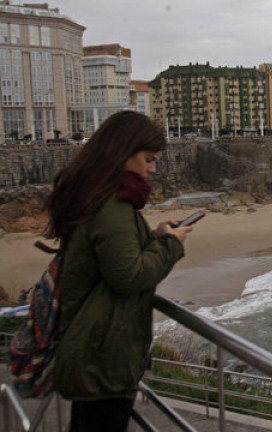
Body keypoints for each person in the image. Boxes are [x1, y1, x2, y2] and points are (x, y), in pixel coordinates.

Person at [44, 111, 192, 431]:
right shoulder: (113, 206)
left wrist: (155, 236)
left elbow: (111, 257)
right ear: (122, 153)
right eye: (148, 159)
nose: (152, 169)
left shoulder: (96, 195)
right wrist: (171, 245)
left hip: (92, 349)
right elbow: (128, 276)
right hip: (103, 355)